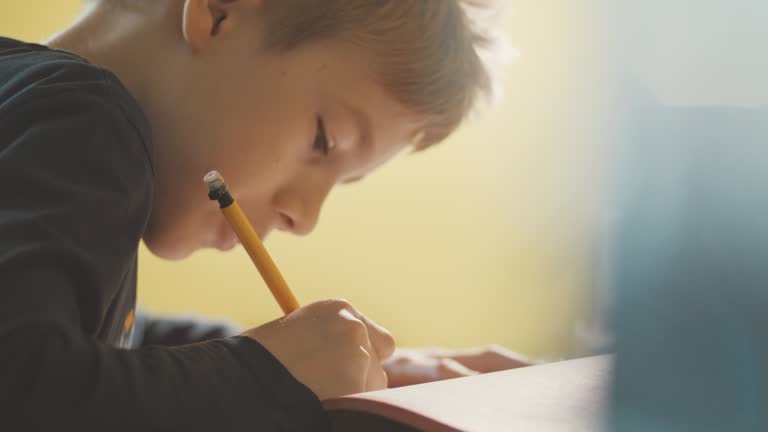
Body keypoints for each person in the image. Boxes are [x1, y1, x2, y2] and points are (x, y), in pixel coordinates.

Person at [0, 0, 528, 430]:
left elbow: (109, 344)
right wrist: (268, 375)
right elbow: (25, 384)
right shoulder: (85, 117)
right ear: (220, 11)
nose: (307, 217)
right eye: (326, 139)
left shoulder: (34, 111)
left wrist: (316, 360)